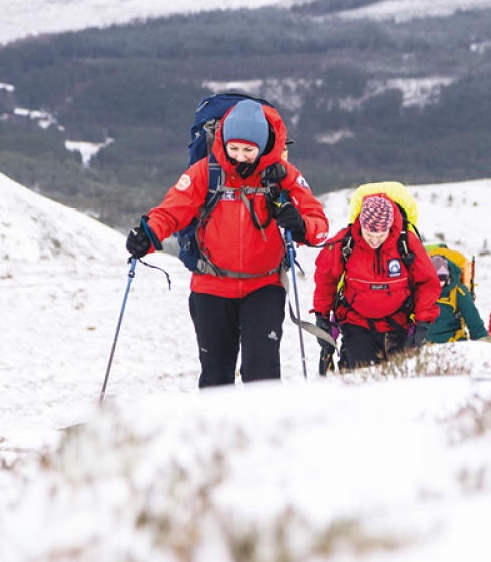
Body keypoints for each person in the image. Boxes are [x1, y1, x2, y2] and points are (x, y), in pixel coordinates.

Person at [124, 99, 328, 387]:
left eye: (248, 150)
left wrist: (300, 225)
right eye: (233, 148)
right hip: (211, 286)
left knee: (263, 375)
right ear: (223, 141)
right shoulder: (206, 172)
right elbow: (172, 211)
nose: (240, 157)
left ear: (263, 145)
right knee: (216, 377)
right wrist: (147, 236)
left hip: (264, 286)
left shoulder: (282, 175)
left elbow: (319, 227)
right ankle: (218, 432)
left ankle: (263, 431)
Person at [313, 193, 441, 369]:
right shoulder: (345, 242)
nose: (374, 241)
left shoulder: (406, 243)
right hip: (356, 323)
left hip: (398, 324)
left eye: (381, 235)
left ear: (390, 227)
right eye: (369, 234)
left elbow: (426, 282)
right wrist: (322, 316)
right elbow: (326, 279)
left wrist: (423, 324)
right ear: (361, 225)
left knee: (396, 383)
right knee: (362, 380)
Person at [418, 253, 489, 344]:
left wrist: (483, 343)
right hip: (425, 345)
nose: (439, 283)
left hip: (454, 344)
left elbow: (473, 320)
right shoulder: (419, 291)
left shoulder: (458, 291)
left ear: (447, 277)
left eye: (441, 280)